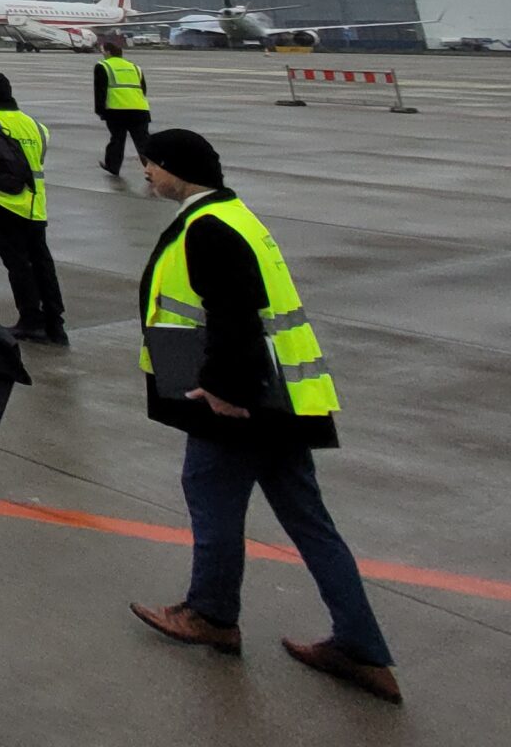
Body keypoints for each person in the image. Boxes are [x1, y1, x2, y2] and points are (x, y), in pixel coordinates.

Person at [126, 129, 398, 703]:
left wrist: (224, 391)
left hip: (241, 403)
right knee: (310, 523)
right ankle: (362, 647)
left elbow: (236, 315)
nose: (146, 172)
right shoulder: (232, 215)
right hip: (281, 402)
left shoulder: (209, 228)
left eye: (151, 163)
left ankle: (211, 614)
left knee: (211, 499)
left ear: (178, 169)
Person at [0, 71, 65, 344]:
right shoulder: (35, 125)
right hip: (35, 204)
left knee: (18, 264)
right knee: (42, 263)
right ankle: (55, 323)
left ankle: (31, 319)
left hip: (4, 202)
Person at [95, 35, 152, 178]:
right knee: (143, 142)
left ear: (108, 52)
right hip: (140, 109)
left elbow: (100, 90)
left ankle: (113, 167)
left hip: (116, 110)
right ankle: (155, 171)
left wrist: (100, 111)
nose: (102, 53)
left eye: (103, 50)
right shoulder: (135, 67)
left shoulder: (103, 66)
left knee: (117, 140)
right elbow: (143, 89)